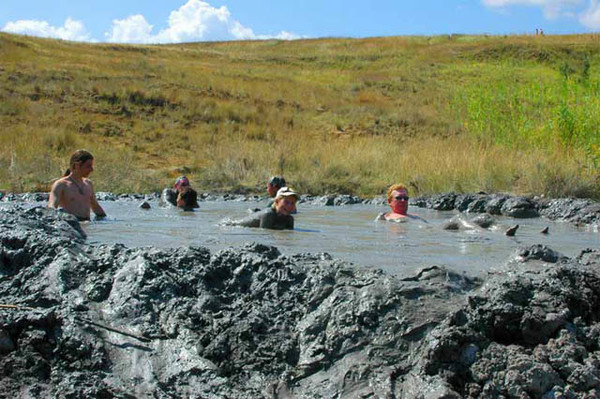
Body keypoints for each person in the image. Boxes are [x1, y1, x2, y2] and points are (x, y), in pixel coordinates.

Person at [48, 149, 106, 221]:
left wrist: (108, 222)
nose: (92, 169)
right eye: (88, 166)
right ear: (77, 165)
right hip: (71, 225)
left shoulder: (88, 184)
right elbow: (52, 207)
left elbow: (96, 207)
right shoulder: (61, 185)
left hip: (87, 224)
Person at [233, 186, 298, 230]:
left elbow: (289, 234)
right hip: (235, 226)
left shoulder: (289, 219)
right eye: (286, 202)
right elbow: (264, 236)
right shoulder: (268, 215)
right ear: (277, 201)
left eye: (292, 203)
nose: (289, 206)